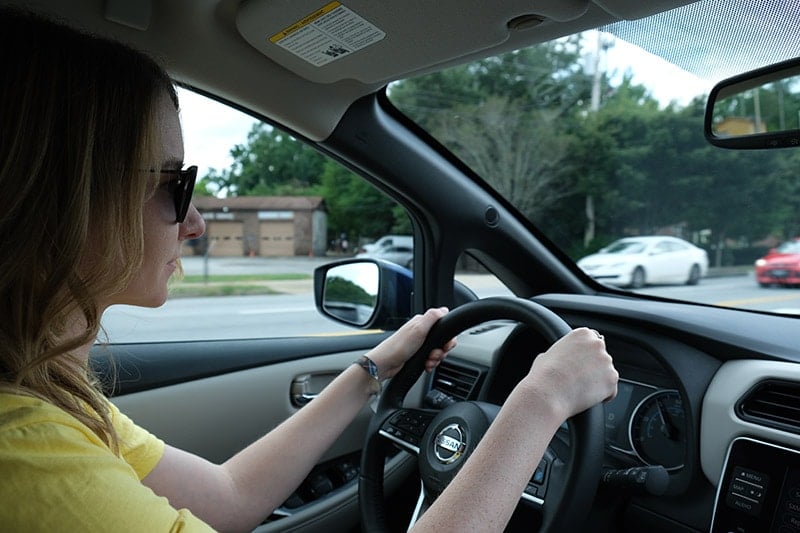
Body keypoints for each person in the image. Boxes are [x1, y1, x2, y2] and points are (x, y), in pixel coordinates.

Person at [0, 8, 618, 532]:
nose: (195, 225)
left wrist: (374, 369)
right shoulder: (24, 455)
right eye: (172, 184)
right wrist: (541, 400)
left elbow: (229, 496)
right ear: (64, 200)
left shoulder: (50, 398)